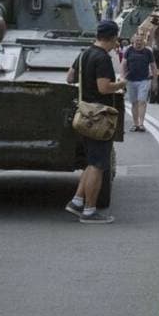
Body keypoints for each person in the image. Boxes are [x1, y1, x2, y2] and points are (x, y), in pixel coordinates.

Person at [65, 20, 125, 224]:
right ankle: (90, 211)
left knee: (91, 162)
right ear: (113, 38)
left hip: (84, 114)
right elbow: (104, 87)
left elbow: (70, 77)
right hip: (99, 116)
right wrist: (120, 84)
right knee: (98, 165)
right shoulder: (103, 58)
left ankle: (76, 201)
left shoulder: (84, 53)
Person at [120, 34, 155, 132]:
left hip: (144, 79)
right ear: (133, 41)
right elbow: (123, 64)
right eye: (137, 40)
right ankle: (135, 123)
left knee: (142, 101)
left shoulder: (148, 52)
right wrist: (122, 77)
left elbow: (153, 66)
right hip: (131, 80)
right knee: (134, 102)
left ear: (143, 41)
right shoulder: (129, 51)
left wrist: (155, 80)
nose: (138, 42)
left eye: (140, 40)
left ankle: (141, 124)